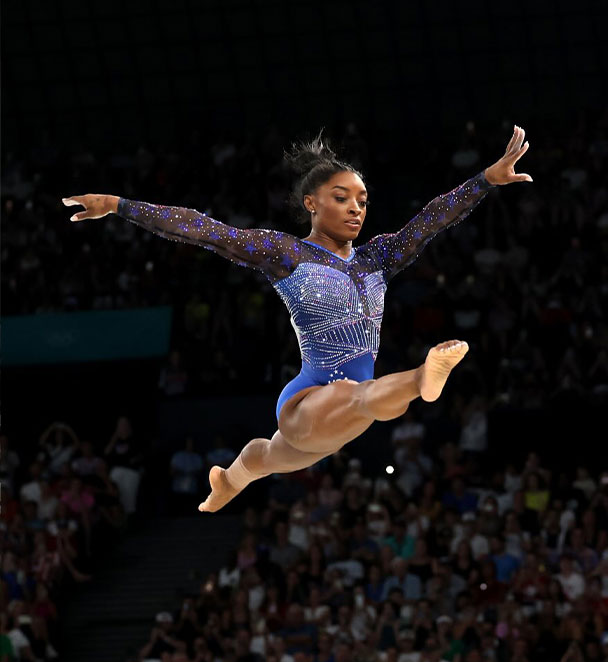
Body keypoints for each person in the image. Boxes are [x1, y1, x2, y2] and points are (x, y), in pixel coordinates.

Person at [63, 125, 532, 511]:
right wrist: (119, 206)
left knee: (267, 456)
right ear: (312, 203)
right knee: (363, 395)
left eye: (362, 201)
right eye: (342, 197)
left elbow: (431, 220)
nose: (355, 208)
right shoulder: (287, 253)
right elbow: (206, 231)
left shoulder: (378, 259)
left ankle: (229, 480)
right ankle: (421, 379)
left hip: (336, 424)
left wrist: (486, 180)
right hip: (308, 400)